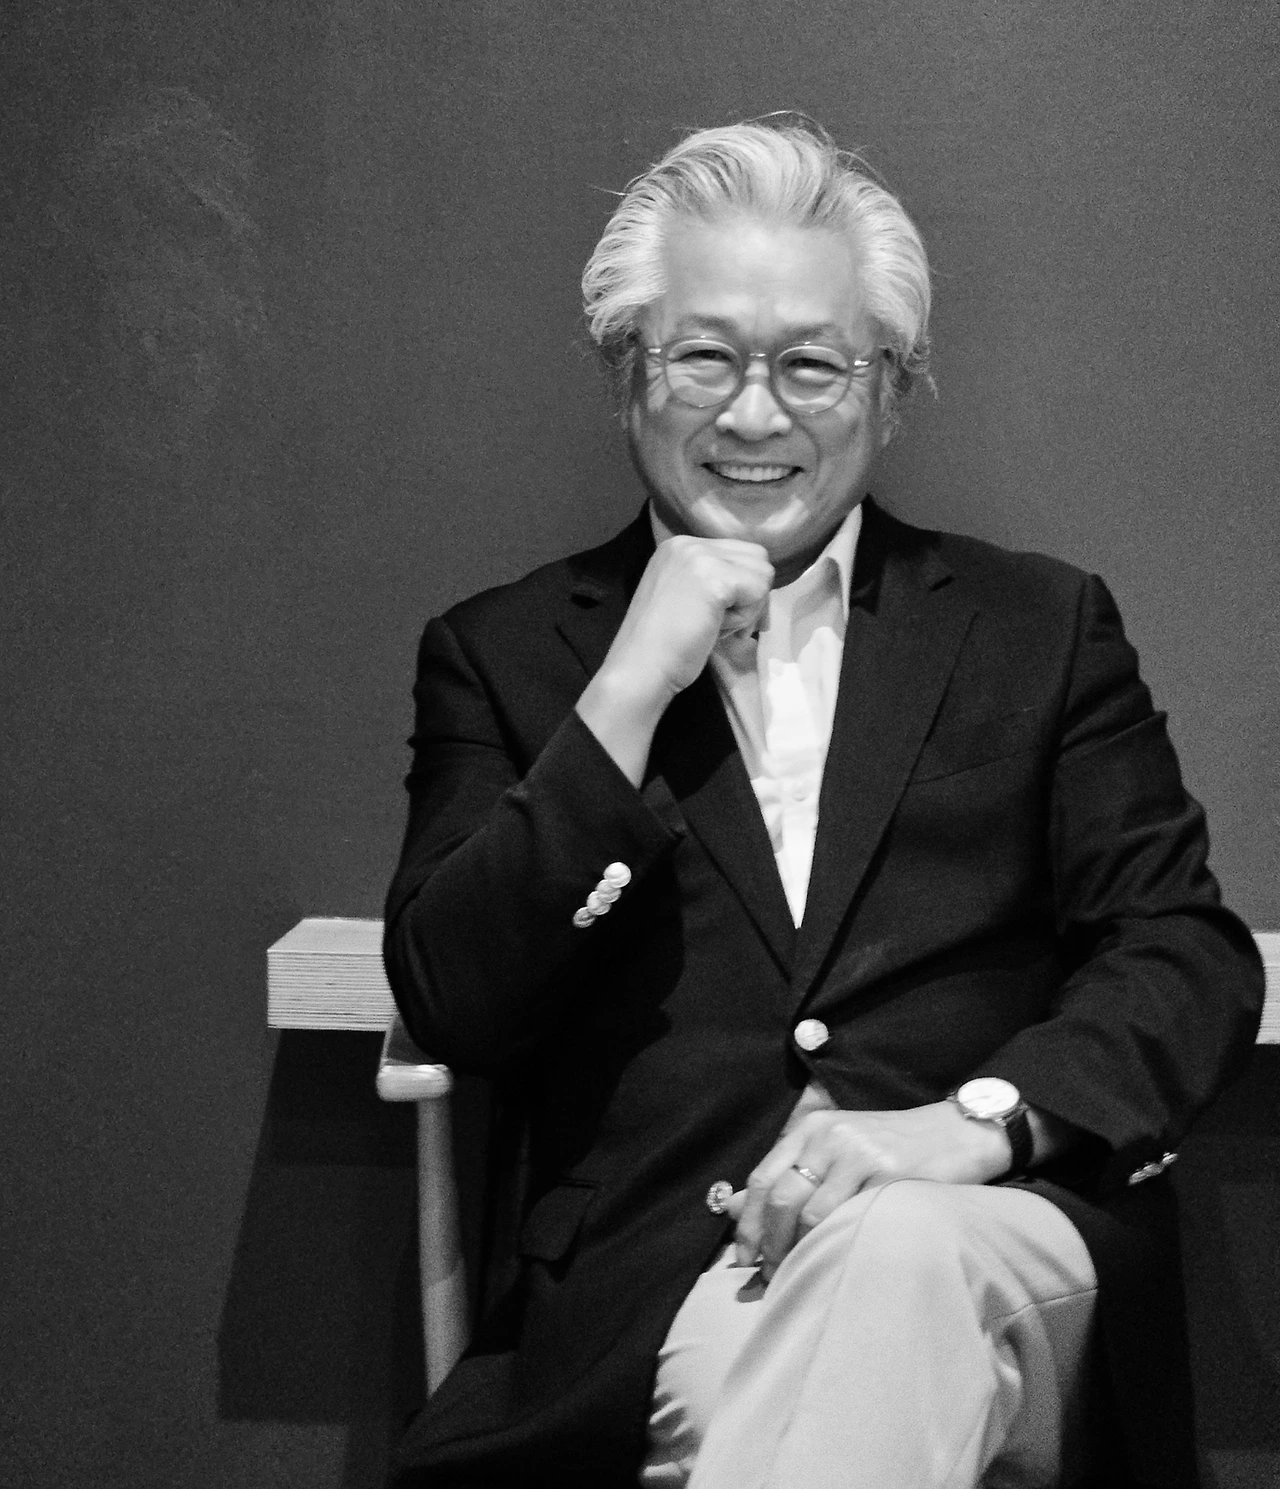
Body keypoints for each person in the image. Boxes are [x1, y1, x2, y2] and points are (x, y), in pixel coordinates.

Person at [383, 116, 1263, 1489]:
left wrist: (970, 1124)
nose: (754, 415)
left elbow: (1182, 954)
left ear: (890, 392)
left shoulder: (1037, 628)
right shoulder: (505, 655)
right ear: (627, 373)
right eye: (705, 358)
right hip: (659, 1299)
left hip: (991, 1242)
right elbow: (455, 998)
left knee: (898, 1253)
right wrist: (625, 695)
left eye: (810, 365)